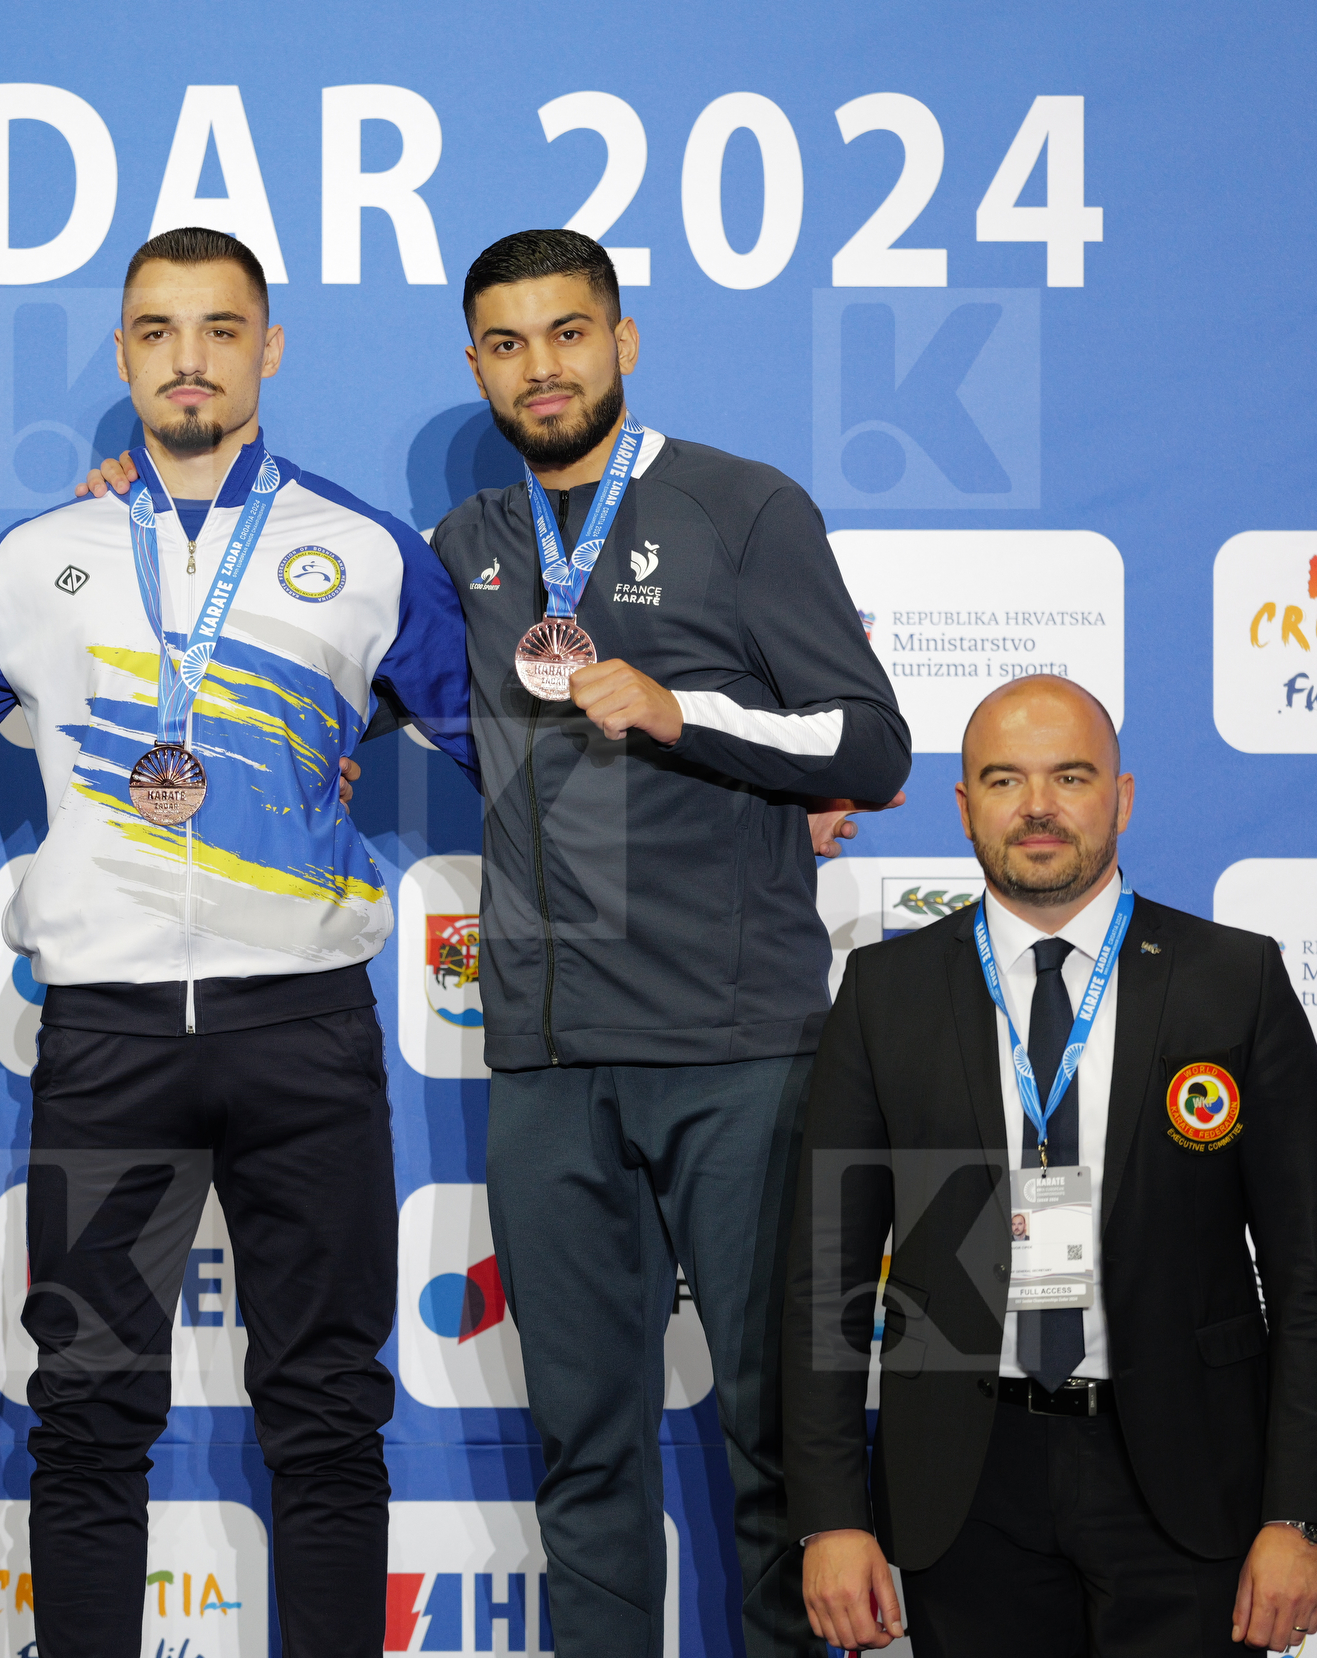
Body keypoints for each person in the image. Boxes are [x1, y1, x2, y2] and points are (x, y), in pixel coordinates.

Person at [0, 226, 478, 1658]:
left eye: (222, 329)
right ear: (123, 354)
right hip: (107, 1030)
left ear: (269, 349)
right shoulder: (35, 558)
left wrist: (737, 815)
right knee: (88, 1408)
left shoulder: (363, 549)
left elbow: (520, 752)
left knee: (324, 1405)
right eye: (159, 329)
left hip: (304, 1022)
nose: (190, 357)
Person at [421, 228, 912, 1658]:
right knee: (583, 1451)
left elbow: (870, 746)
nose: (542, 368)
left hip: (735, 1046)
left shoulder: (741, 507)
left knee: (777, 1447)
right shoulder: (467, 547)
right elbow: (316, 619)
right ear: (477, 368)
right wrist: (138, 492)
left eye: (568, 334)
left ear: (623, 341)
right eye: (508, 344)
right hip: (549, 1057)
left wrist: (684, 710)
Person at [786, 673, 1317, 1656]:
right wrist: (831, 1517)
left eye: (1070, 775)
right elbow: (822, 1276)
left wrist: (1299, 1514)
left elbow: (1312, 1277)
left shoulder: (1234, 978)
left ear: (1121, 796)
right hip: (964, 1485)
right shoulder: (884, 992)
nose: (1037, 806)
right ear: (965, 807)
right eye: (1003, 779)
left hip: (1189, 1476)